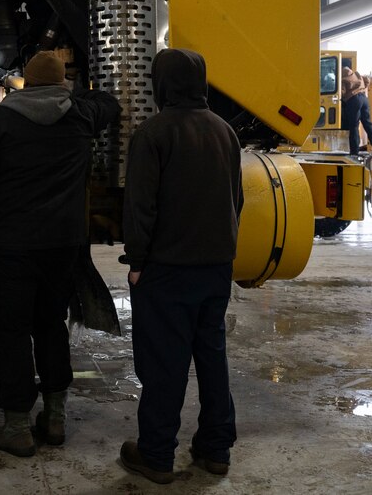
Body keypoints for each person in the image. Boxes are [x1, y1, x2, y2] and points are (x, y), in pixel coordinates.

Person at [0, 51, 120, 458]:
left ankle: (16, 426)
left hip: (9, 245)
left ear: (25, 83)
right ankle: (54, 418)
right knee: (50, 325)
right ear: (62, 84)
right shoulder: (81, 117)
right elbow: (111, 104)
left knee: (11, 331)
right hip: (61, 246)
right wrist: (78, 92)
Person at [118, 48, 243, 485]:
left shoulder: (154, 133)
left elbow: (140, 206)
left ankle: (155, 454)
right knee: (212, 357)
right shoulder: (225, 132)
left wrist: (137, 261)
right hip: (215, 267)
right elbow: (237, 200)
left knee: (164, 362)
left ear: (161, 83)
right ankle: (216, 448)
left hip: (167, 269)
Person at [341, 65, 372, 155]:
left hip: (353, 100)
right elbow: (367, 80)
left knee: (354, 127)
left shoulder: (343, 78)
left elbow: (342, 91)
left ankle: (354, 152)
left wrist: (341, 98)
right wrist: (361, 89)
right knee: (367, 123)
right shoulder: (356, 75)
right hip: (364, 98)